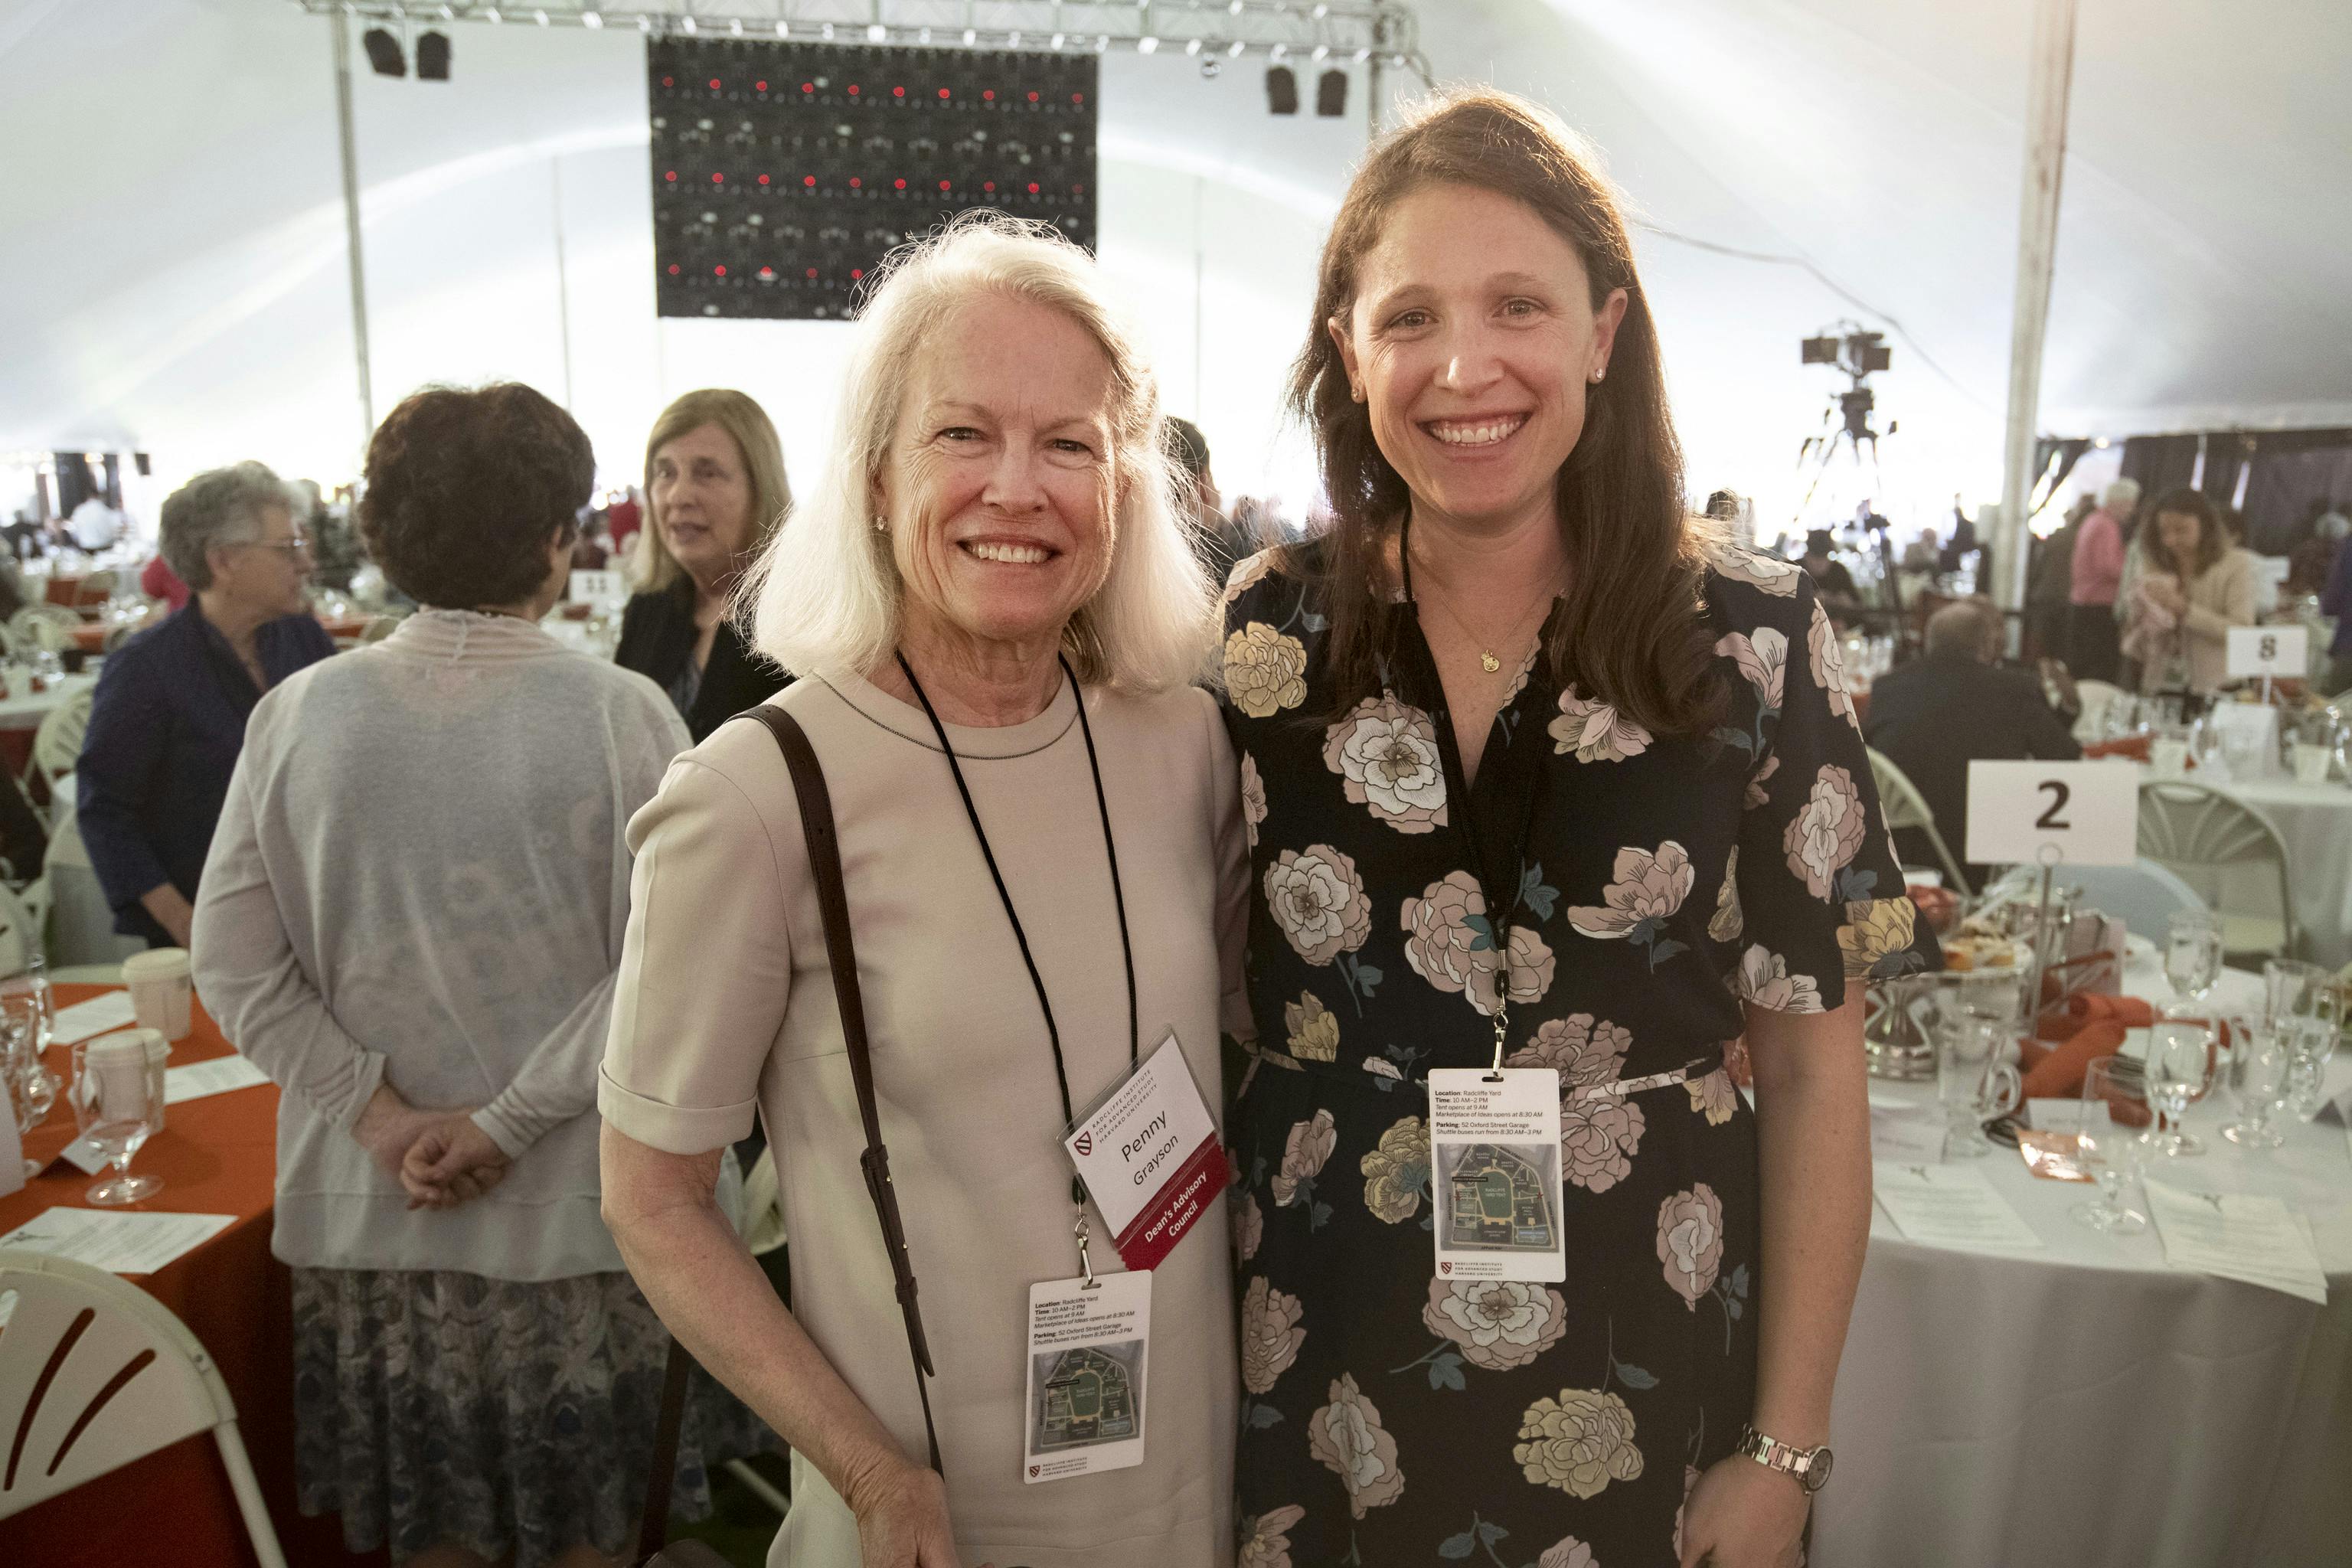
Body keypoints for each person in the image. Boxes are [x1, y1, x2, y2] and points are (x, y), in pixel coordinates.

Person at [1217, 89, 1933, 1568]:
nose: (1463, 366)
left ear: (1604, 331)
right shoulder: (1264, 635)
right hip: (1327, 1357)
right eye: (1409, 316)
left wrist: (1783, 1448)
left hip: (1650, 1358)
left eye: (1518, 305)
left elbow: (1812, 1069)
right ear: (1347, 350)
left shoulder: (1751, 636)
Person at [599, 214, 1245, 1567]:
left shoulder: (1184, 744)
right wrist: (870, 1474)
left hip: (1190, 1493)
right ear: (878, 479)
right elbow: (653, 1202)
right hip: (927, 1523)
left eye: (1069, 444)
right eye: (963, 434)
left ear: (1125, 488)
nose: (1016, 488)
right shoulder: (757, 793)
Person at [191, 383, 766, 1568]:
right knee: (593, 1537)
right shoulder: (621, 715)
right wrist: (502, 1124)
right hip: (579, 1211)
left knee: (433, 1540)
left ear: (388, 534)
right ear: (557, 539)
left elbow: (232, 961)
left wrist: (377, 1114)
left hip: (377, 1212)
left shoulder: (297, 715)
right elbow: (670, 970)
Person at [79, 462, 334, 947]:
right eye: (287, 548)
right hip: (211, 928)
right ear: (224, 561)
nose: (306, 563)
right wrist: (184, 924)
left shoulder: (303, 639)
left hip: (314, 913)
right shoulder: (147, 669)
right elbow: (106, 812)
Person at [613, 390, 793, 741]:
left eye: (707, 473)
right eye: (665, 473)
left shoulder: (803, 623)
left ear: (760, 488)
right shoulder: (648, 608)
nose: (678, 496)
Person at [1864, 602, 2080, 889]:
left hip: (1899, 852)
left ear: (1928, 642)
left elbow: (1865, 760)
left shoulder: (1887, 688)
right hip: (1986, 856)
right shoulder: (2015, 689)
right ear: (1987, 644)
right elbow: (2065, 756)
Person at [2122, 488, 2256, 697]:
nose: (2171, 540)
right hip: (2160, 682)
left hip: (2215, 686)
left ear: (2206, 526)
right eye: (2164, 532)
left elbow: (2242, 631)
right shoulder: (2154, 563)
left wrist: (2183, 609)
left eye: (2181, 530)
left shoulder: (2236, 564)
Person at [2067, 478, 2138, 681]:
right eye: (2130, 504)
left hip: (2084, 601)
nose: (2131, 511)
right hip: (2099, 604)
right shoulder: (2106, 525)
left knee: (2084, 665)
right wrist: (2135, 574)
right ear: (2118, 502)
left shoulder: (2092, 520)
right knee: (2101, 669)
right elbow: (2109, 567)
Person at [2027, 496, 2090, 662]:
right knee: (2061, 649)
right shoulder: (2083, 538)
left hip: (2045, 594)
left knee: (2041, 645)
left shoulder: (2058, 536)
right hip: (2067, 597)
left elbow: (2039, 566)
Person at [1800, 527, 1863, 626]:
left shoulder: (1838, 571)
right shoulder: (1793, 569)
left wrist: (1841, 602)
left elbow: (1858, 605)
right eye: (1816, 557)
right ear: (1806, 555)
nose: (1820, 563)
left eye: (1824, 557)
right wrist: (1811, 600)